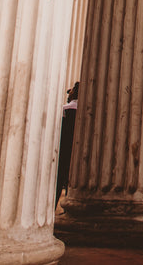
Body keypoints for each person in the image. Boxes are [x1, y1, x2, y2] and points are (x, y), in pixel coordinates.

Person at [55, 82, 79, 210]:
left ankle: (54, 205)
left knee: (60, 178)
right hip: (78, 149)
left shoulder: (65, 109)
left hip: (65, 147)